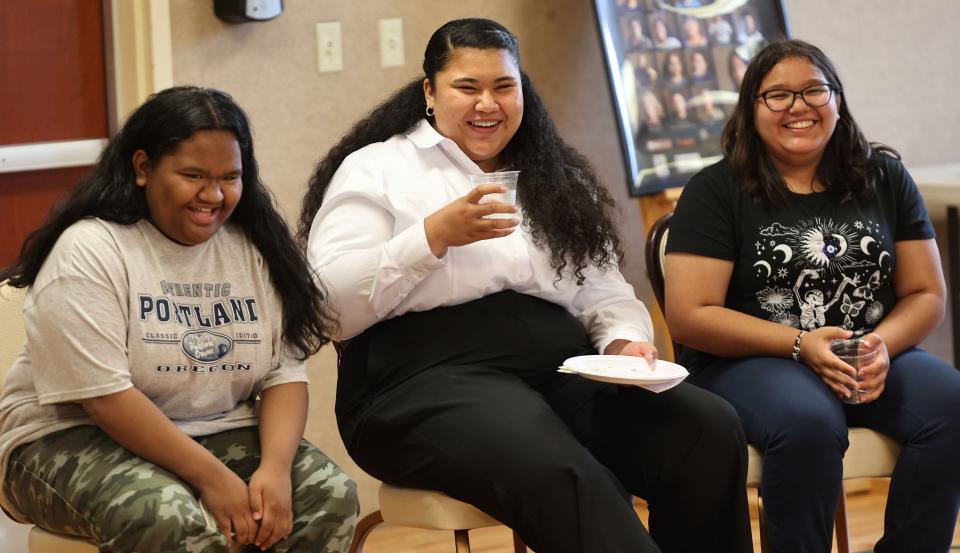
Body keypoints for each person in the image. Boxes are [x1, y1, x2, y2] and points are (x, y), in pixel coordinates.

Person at [299, 17, 752, 553]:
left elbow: (602, 289)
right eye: (467, 88)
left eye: (503, 86)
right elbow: (327, 308)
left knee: (705, 427)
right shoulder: (376, 168)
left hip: (557, 367)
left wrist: (621, 342)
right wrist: (430, 238)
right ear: (430, 92)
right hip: (416, 380)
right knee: (562, 469)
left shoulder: (553, 174)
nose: (487, 104)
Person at [0, 86, 359, 553]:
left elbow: (283, 374)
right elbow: (106, 399)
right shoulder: (89, 250)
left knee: (328, 495)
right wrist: (215, 480)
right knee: (167, 515)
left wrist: (274, 467)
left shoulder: (252, 248)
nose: (213, 194)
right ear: (144, 168)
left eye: (230, 177)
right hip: (64, 438)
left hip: (213, 428)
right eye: (193, 175)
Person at [665, 39, 960, 553]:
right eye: (777, 95)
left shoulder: (885, 176)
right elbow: (689, 316)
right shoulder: (716, 190)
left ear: (838, 101)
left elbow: (926, 292)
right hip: (751, 361)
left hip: (867, 354)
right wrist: (800, 344)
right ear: (750, 109)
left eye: (813, 91)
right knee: (808, 423)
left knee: (954, 404)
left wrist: (882, 345)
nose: (798, 107)